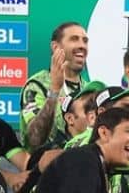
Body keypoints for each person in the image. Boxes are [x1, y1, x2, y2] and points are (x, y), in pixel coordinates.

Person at [21, 21, 91, 149]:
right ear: (55, 47)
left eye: (85, 41)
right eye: (74, 39)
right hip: (47, 161)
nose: (82, 45)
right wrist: (54, 91)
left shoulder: (89, 89)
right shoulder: (36, 85)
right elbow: (35, 139)